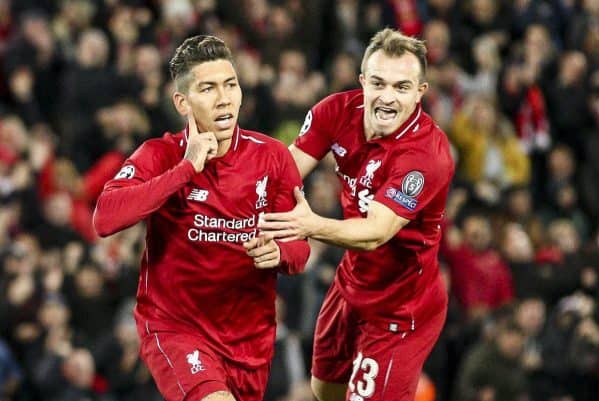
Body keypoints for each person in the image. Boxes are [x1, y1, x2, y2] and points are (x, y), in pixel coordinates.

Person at [92, 35, 310, 401]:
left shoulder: (271, 157)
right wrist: (187, 167)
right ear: (182, 102)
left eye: (230, 85)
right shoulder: (160, 155)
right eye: (207, 88)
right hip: (176, 328)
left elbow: (299, 248)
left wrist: (280, 254)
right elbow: (105, 218)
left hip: (249, 341)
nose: (224, 98)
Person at [260, 28, 455, 401]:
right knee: (324, 390)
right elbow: (281, 176)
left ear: (420, 92)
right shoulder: (334, 111)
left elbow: (376, 233)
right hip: (350, 285)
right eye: (378, 83)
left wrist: (309, 225)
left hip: (402, 305)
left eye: (401, 87)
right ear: (363, 81)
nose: (387, 97)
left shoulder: (425, 155)